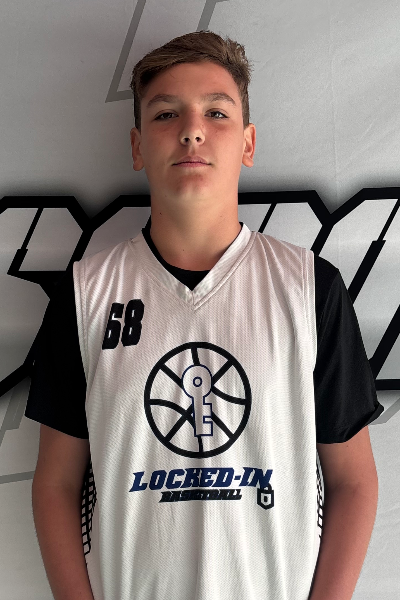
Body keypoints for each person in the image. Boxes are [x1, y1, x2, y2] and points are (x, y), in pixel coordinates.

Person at [25, 30, 384, 600]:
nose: (192, 129)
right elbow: (56, 484)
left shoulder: (309, 288)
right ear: (137, 147)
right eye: (166, 114)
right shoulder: (85, 295)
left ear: (248, 142)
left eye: (216, 112)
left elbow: (354, 481)